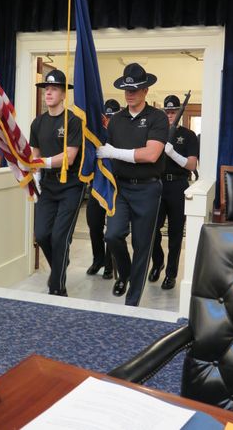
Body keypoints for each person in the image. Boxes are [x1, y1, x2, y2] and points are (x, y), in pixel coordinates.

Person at [97, 63, 169, 306]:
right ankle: (125, 273)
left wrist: (114, 151)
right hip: (121, 188)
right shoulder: (115, 120)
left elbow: (151, 155)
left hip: (148, 188)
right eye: (127, 90)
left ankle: (133, 300)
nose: (130, 94)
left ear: (146, 90)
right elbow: (105, 152)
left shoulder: (157, 118)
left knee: (142, 244)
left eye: (135, 89)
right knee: (113, 235)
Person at [30, 69, 85, 297]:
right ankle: (60, 265)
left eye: (53, 89)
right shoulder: (38, 123)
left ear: (64, 94)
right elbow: (35, 156)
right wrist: (33, 173)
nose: (48, 93)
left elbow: (69, 157)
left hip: (71, 185)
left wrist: (39, 162)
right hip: (49, 186)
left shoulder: (73, 121)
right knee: (42, 234)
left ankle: (57, 287)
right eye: (46, 89)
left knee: (59, 236)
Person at [148, 94, 198, 290]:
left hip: (178, 185)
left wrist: (172, 152)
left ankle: (171, 273)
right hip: (157, 185)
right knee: (151, 229)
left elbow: (192, 164)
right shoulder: (155, 133)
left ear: (179, 112)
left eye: (173, 112)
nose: (170, 115)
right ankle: (158, 261)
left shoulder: (188, 135)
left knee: (176, 233)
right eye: (166, 112)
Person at [86, 99, 121, 279]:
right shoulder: (97, 134)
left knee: (112, 230)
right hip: (97, 186)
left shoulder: (122, 133)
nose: (108, 120)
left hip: (116, 186)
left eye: (112, 116)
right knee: (94, 224)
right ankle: (98, 259)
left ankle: (109, 264)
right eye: (106, 116)